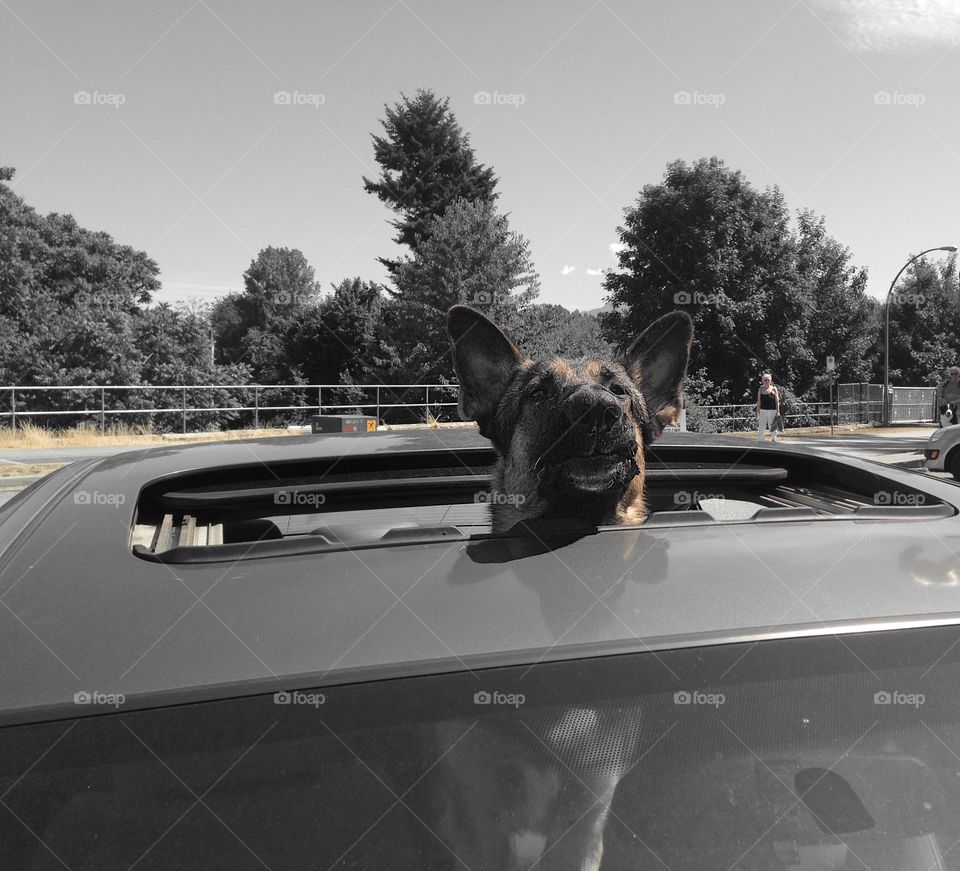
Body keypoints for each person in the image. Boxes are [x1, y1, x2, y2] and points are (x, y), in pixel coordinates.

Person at [756, 373, 780, 442]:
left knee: (772, 426)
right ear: (762, 381)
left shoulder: (774, 389)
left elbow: (777, 401)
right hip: (762, 410)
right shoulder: (760, 389)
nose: (767, 381)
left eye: (768, 380)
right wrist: (758, 412)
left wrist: (778, 411)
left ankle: (774, 439)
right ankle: (761, 441)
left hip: (772, 411)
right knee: (761, 427)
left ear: (771, 381)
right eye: (765, 380)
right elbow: (759, 401)